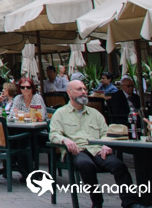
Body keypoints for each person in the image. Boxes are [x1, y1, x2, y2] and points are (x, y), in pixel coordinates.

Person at [49, 80, 146, 208]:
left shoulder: (95, 113)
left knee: (119, 165)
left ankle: (131, 202)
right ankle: (97, 202)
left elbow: (107, 133)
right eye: (79, 89)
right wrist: (65, 140)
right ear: (69, 92)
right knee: (86, 164)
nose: (83, 92)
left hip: (97, 149)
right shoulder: (60, 113)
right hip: (76, 151)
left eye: (84, 89)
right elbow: (53, 134)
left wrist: (106, 144)